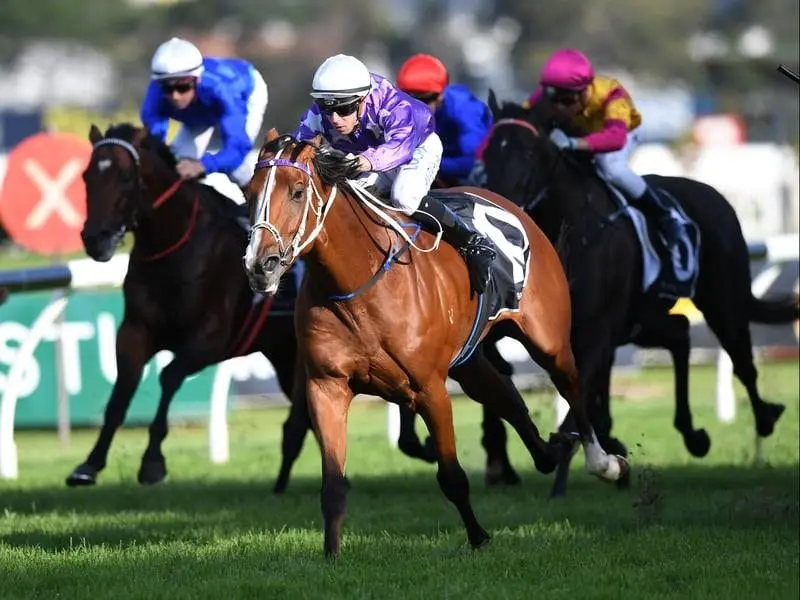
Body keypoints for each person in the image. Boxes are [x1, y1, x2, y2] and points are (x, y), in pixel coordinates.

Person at [292, 53, 496, 295]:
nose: (335, 119)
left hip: (416, 148)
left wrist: (361, 163)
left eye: (344, 109)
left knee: (403, 196)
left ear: (363, 99)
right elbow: (297, 149)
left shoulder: (392, 105)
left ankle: (471, 241)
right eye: (327, 108)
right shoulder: (320, 114)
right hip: (370, 156)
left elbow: (399, 148)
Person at [522, 48, 685, 252]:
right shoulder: (550, 92)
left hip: (621, 133)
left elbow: (615, 138)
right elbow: (520, 119)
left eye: (566, 101)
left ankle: (663, 214)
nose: (559, 108)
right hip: (577, 134)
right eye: (553, 99)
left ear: (584, 92)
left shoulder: (612, 95)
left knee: (609, 166)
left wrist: (573, 144)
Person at [140, 37, 269, 194]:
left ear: (197, 79)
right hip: (198, 111)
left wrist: (203, 165)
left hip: (246, 92)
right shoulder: (154, 97)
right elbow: (156, 144)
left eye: (183, 87)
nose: (175, 96)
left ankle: (257, 202)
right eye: (167, 88)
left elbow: (237, 148)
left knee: (235, 168)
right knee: (176, 166)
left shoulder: (222, 92)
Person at [395, 54, 492, 186]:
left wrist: (423, 161)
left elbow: (472, 162)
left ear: (440, 96)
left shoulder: (464, 109)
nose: (413, 107)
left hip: (478, 172)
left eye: (422, 101)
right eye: (406, 100)